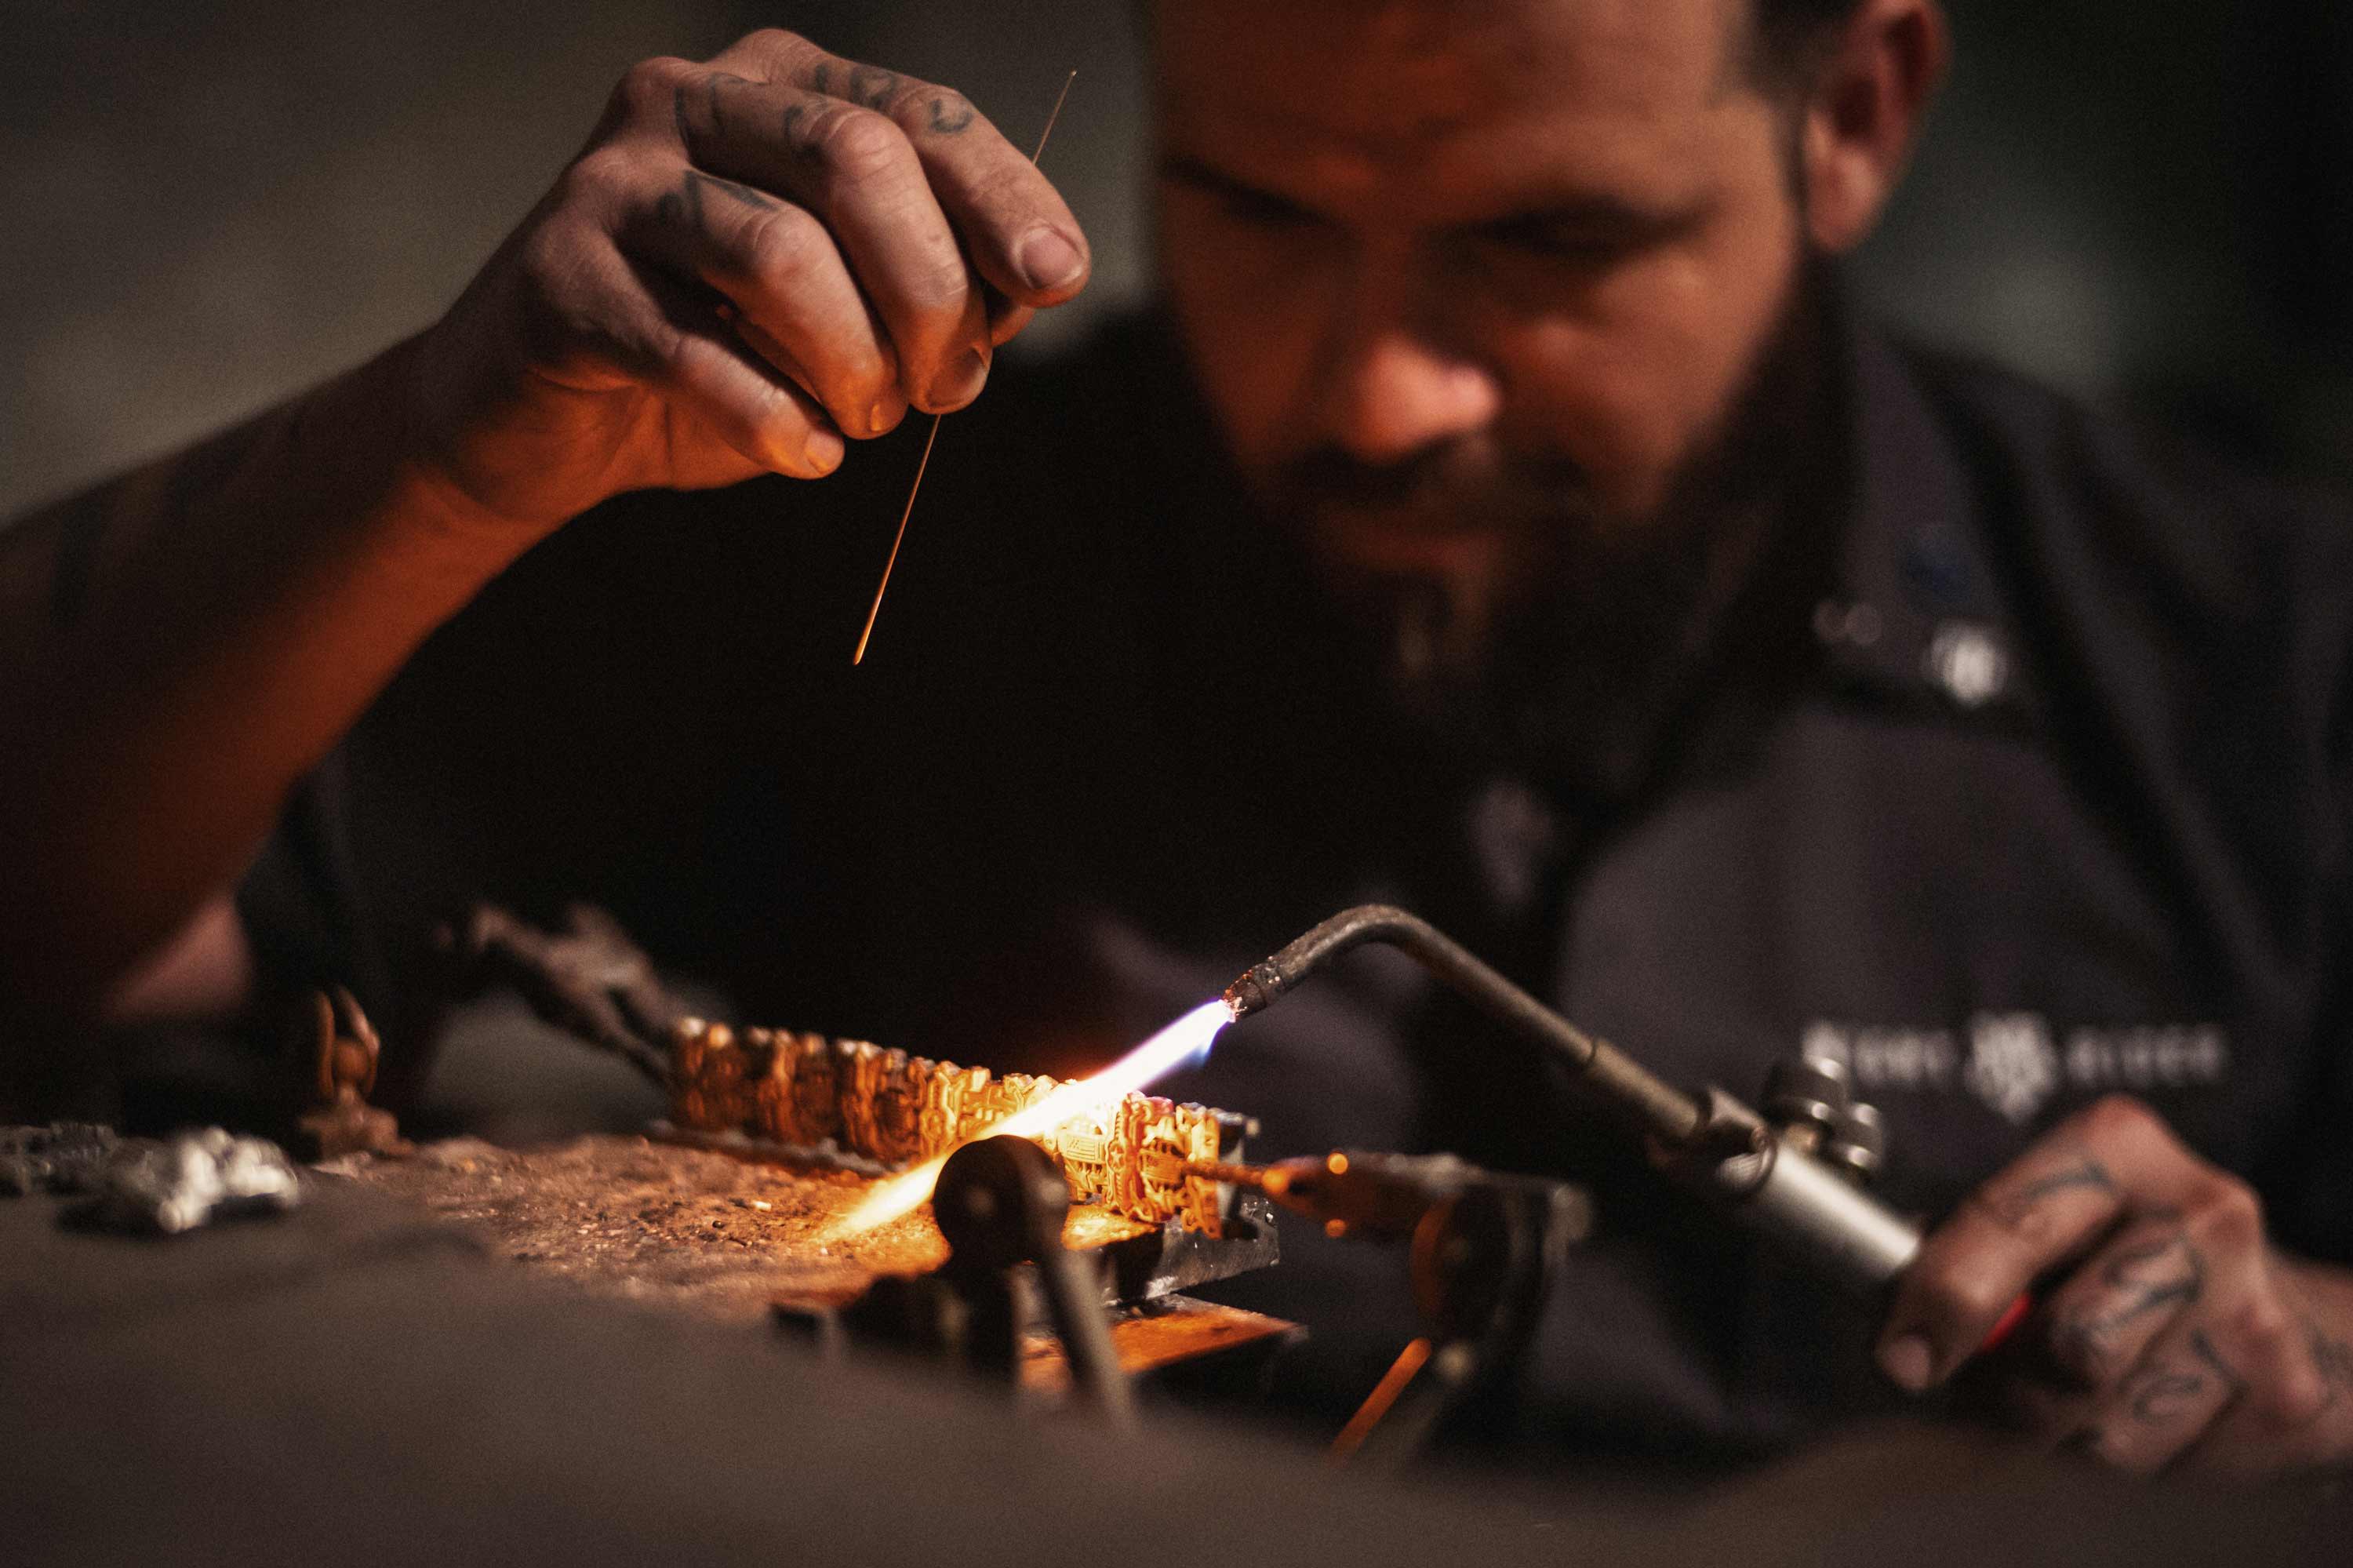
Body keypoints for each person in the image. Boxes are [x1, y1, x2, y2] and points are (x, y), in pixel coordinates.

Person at [3, 0, 2351, 1477]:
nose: (1370, 393)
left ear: (1851, 113)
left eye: (1543, 242)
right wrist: (429, 453)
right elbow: (71, 939)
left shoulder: (2250, 650)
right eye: (1251, 207)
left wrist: (2311, 1356)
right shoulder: (880, 524)